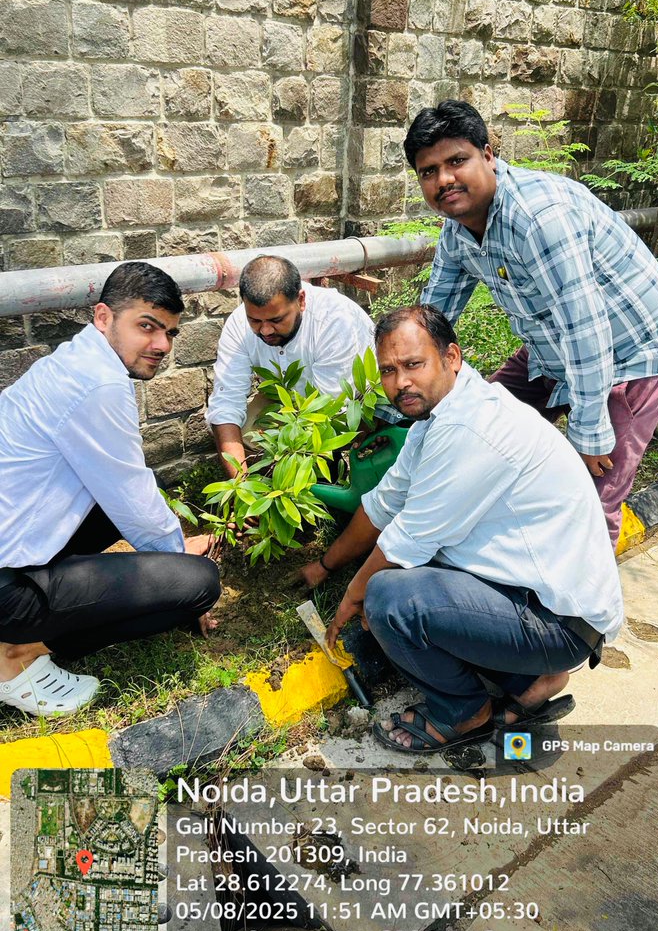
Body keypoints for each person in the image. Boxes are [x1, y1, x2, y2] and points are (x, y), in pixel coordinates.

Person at [309, 306, 623, 755]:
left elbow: (402, 542)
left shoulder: (471, 429)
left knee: (391, 598)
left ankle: (463, 712)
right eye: (389, 371)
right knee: (409, 573)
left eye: (413, 365)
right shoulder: (438, 417)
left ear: (451, 357)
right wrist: (322, 567)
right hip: (539, 599)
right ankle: (531, 680)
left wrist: (350, 598)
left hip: (560, 622)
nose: (400, 383)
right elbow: (381, 507)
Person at [402, 99, 658, 548]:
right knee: (480, 432)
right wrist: (406, 377)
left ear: (489, 155)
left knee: (590, 494)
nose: (444, 179)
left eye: (456, 161)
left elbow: (586, 329)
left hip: (634, 352)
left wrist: (589, 430)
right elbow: (435, 315)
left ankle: (583, 615)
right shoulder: (458, 227)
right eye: (429, 171)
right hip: (552, 343)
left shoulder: (537, 218)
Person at [0, 261, 220, 718]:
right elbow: (134, 499)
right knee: (199, 584)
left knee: (110, 506)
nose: (162, 345)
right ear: (103, 317)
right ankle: (15, 654)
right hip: (6, 588)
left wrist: (170, 544)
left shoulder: (75, 360)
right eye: (147, 326)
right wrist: (178, 557)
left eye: (170, 333)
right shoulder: (98, 383)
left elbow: (121, 490)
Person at [206, 255, 377, 476]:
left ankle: (323, 483)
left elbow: (329, 411)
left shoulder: (334, 319)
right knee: (244, 434)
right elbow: (225, 405)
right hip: (289, 399)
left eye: (276, 320)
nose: (265, 330)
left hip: (353, 403)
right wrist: (240, 486)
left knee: (298, 449)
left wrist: (285, 452)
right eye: (256, 321)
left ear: (301, 300)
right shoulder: (238, 324)